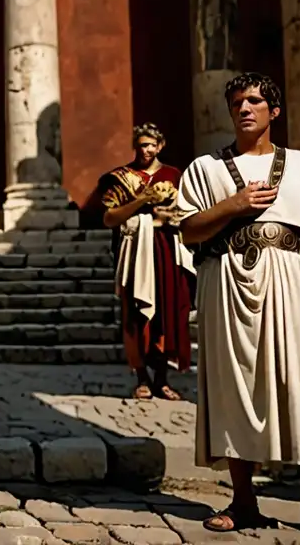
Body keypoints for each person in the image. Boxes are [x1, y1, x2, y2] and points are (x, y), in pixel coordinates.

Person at [175, 72, 300, 540]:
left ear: (273, 111)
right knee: (235, 387)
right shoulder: (205, 168)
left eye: (255, 100)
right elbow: (189, 230)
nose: (245, 108)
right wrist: (233, 205)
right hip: (229, 277)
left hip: (295, 275)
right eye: (237, 101)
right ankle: (243, 501)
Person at [100, 123, 195, 400]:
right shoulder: (122, 178)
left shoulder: (174, 175)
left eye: (151, 145)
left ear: (160, 146)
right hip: (135, 252)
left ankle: (163, 379)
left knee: (168, 315)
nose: (146, 150)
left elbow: (187, 212)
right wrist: (141, 199)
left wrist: (169, 216)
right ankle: (141, 377)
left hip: (167, 250)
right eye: (141, 145)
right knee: (136, 315)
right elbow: (109, 218)